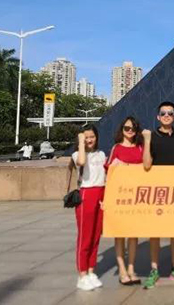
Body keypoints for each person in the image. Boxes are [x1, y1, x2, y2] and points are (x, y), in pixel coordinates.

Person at [142, 101, 174, 289]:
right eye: (163, 113)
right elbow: (146, 164)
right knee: (154, 233)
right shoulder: (152, 137)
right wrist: (147, 141)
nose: (167, 116)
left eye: (170, 113)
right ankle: (154, 269)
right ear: (158, 116)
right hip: (158, 191)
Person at [106, 116, 145, 286]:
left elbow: (146, 167)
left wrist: (126, 166)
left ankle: (131, 268)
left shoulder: (140, 147)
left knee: (133, 234)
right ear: (121, 129)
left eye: (133, 128)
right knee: (120, 234)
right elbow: (109, 172)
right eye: (127, 128)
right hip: (119, 196)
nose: (130, 131)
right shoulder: (116, 148)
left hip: (136, 196)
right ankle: (122, 269)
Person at [70, 125, 105, 291]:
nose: (90, 140)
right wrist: (81, 143)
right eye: (86, 137)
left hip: (101, 194)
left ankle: (91, 271)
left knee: (96, 236)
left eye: (92, 137)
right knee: (85, 236)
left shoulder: (101, 154)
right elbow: (82, 162)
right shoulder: (77, 154)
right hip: (86, 195)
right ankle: (82, 274)